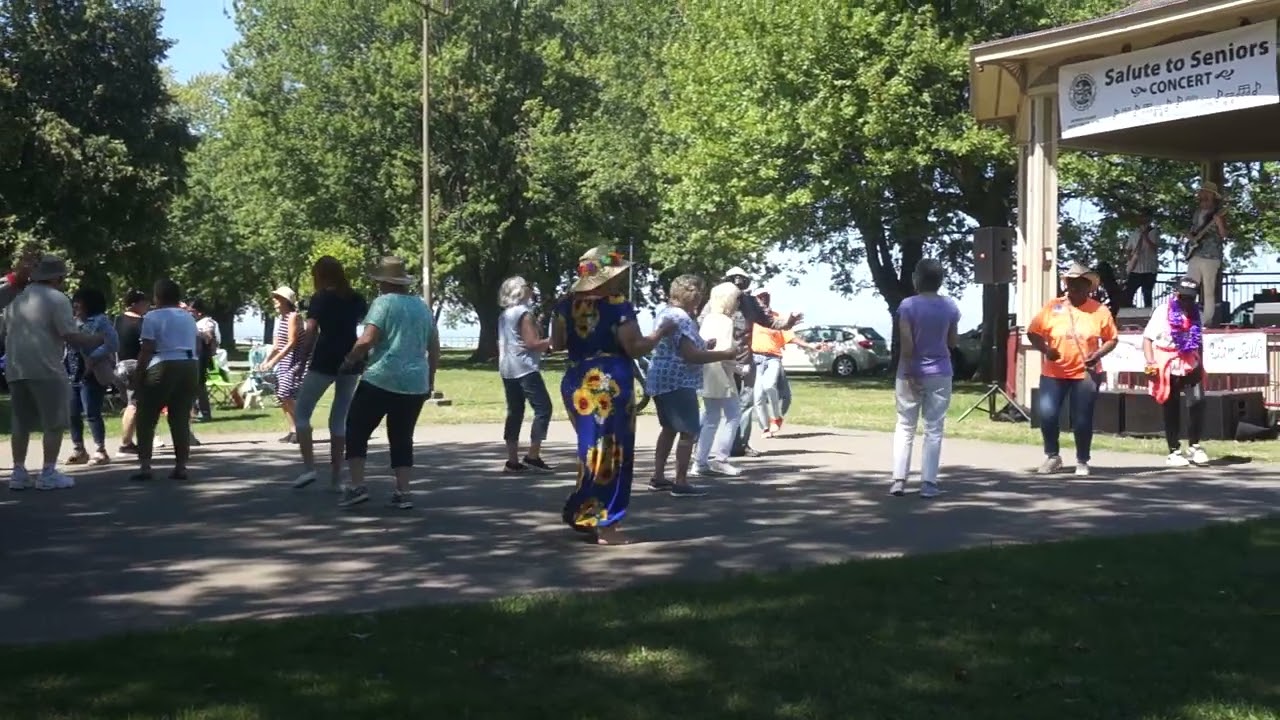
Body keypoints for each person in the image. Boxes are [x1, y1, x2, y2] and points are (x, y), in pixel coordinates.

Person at [551, 246, 672, 545]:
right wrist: (660, 334)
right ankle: (607, 525)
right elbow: (634, 347)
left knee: (591, 451)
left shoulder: (564, 305)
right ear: (607, 277)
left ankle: (585, 511)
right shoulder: (618, 304)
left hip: (577, 381)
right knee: (614, 454)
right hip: (608, 384)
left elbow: (556, 344)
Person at [338, 257, 438, 510]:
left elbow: (367, 339)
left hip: (382, 377)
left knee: (357, 428)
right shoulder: (422, 307)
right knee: (403, 436)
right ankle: (403, 491)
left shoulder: (383, 303)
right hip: (415, 381)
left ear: (384, 282)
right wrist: (430, 379)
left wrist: (349, 360)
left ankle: (357, 485)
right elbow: (434, 346)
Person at [2, 256, 103, 490]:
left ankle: (18, 472)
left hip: (16, 367)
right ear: (57, 277)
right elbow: (69, 335)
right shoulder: (57, 299)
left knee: (21, 421)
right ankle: (48, 472)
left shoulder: (16, 300)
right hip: (46, 366)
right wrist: (96, 339)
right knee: (54, 422)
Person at [646, 274, 737, 497]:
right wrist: (724, 353)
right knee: (688, 431)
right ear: (693, 295)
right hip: (678, 381)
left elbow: (681, 346)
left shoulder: (666, 313)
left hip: (661, 379)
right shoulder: (683, 318)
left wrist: (704, 344)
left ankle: (658, 476)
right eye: (699, 294)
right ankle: (681, 481)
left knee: (668, 429)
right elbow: (690, 356)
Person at [1026, 262, 1119, 477]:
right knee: (1047, 414)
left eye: (1078, 286)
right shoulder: (1053, 307)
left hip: (1085, 373)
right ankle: (1052, 456)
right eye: (1070, 285)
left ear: (1089, 288)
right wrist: (1046, 349)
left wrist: (1097, 355)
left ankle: (1082, 460)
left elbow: (1111, 339)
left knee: (1082, 418)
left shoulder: (1099, 310)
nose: (1073, 290)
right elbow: (1033, 332)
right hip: (1053, 372)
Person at [292, 256, 368, 491]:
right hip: (351, 358)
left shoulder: (320, 297)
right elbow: (363, 323)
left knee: (302, 412)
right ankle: (337, 477)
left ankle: (309, 467)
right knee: (339, 417)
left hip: (325, 358)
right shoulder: (355, 298)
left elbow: (312, 329)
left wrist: (302, 357)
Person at [889, 259, 960, 499]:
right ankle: (929, 483)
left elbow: (907, 342)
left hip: (910, 371)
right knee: (934, 428)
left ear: (916, 279)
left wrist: (909, 371)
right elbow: (952, 342)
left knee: (905, 424)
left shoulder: (907, 306)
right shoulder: (950, 307)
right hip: (940, 371)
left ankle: (899, 480)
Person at [720, 267, 801, 458]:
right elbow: (703, 323)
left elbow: (770, 322)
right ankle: (699, 443)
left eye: (742, 279)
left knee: (746, 403)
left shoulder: (750, 302)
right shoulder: (717, 299)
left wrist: (789, 321)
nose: (738, 282)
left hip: (745, 359)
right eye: (734, 279)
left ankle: (739, 444)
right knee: (713, 404)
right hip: (720, 359)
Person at [131, 279, 201, 482]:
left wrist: (139, 373)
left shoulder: (152, 317)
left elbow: (147, 348)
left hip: (163, 362)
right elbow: (196, 343)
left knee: (147, 415)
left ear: (157, 296)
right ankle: (181, 466)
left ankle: (145, 465)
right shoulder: (188, 317)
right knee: (179, 417)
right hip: (189, 364)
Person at [1144, 275, 1210, 468]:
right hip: (1167, 362)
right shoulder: (1162, 311)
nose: (1187, 302)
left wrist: (1201, 365)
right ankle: (1174, 450)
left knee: (1198, 401)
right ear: (1175, 294)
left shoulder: (1196, 313)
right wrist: (1150, 363)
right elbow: (1147, 339)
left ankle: (1195, 445)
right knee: (1171, 407)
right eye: (1183, 297)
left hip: (1190, 361)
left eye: (1191, 298)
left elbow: (1199, 342)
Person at [496, 275, 554, 473]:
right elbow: (532, 344)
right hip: (525, 367)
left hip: (507, 367)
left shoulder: (505, 314)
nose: (531, 289)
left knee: (515, 411)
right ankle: (533, 455)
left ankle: (512, 460)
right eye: (528, 286)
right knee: (543, 408)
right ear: (520, 291)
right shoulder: (524, 313)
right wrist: (553, 341)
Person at [750, 290, 820, 438]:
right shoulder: (751, 317)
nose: (764, 300)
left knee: (769, 386)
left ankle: (776, 417)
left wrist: (811, 346)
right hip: (755, 359)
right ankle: (765, 428)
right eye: (760, 297)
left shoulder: (776, 318)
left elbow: (790, 337)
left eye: (766, 297)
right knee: (758, 396)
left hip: (773, 357)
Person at [66, 288, 119, 466]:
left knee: (92, 412)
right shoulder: (72, 322)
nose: (76, 305)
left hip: (92, 372)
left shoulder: (100, 321)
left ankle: (100, 450)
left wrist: (93, 357)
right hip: (72, 371)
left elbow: (113, 343)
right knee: (72, 413)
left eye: (79, 301)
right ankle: (79, 449)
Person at [695, 281, 743, 477]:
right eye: (737, 298)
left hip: (706, 371)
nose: (738, 303)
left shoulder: (708, 319)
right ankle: (720, 458)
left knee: (711, 416)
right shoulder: (725, 321)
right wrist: (740, 368)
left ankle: (700, 461)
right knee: (733, 414)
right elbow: (725, 353)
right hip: (721, 373)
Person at [259, 287, 303, 443]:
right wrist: (266, 360)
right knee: (281, 395)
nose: (274, 300)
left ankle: (301, 428)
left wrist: (273, 361)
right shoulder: (281, 319)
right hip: (284, 360)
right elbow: (277, 345)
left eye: (277, 298)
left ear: (286, 300)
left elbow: (292, 342)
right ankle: (293, 431)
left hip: (295, 360)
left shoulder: (293, 317)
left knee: (286, 393)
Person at [1184, 182, 1228, 327]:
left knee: (1208, 290)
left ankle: (1206, 320)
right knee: (1189, 287)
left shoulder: (1218, 212)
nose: (1203, 195)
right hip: (1196, 254)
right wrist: (1190, 237)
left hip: (1211, 256)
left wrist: (1219, 222)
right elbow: (1193, 232)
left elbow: (1224, 235)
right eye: (1202, 192)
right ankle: (1187, 317)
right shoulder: (1197, 213)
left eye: (1206, 193)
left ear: (1212, 196)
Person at [115, 289, 149, 453]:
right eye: (144, 302)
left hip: (120, 366)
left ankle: (132, 439)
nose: (147, 306)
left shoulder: (117, 320)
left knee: (131, 402)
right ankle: (126, 443)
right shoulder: (142, 323)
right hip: (135, 365)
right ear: (135, 304)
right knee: (133, 405)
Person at [190, 299, 219, 423]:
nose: (190, 314)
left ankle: (205, 413)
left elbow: (208, 338)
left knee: (199, 386)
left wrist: (197, 332)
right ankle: (195, 411)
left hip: (201, 357)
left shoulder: (207, 322)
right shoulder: (194, 322)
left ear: (199, 312)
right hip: (193, 357)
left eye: (192, 311)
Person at [1123, 209, 1160, 308]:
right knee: (1129, 293)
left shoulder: (1154, 232)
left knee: (1147, 294)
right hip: (1135, 269)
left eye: (1145, 216)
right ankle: (1128, 313)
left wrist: (1145, 236)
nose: (1142, 218)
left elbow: (1155, 248)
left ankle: (1147, 315)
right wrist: (1130, 258)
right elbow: (1128, 248)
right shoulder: (1134, 233)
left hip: (1149, 269)